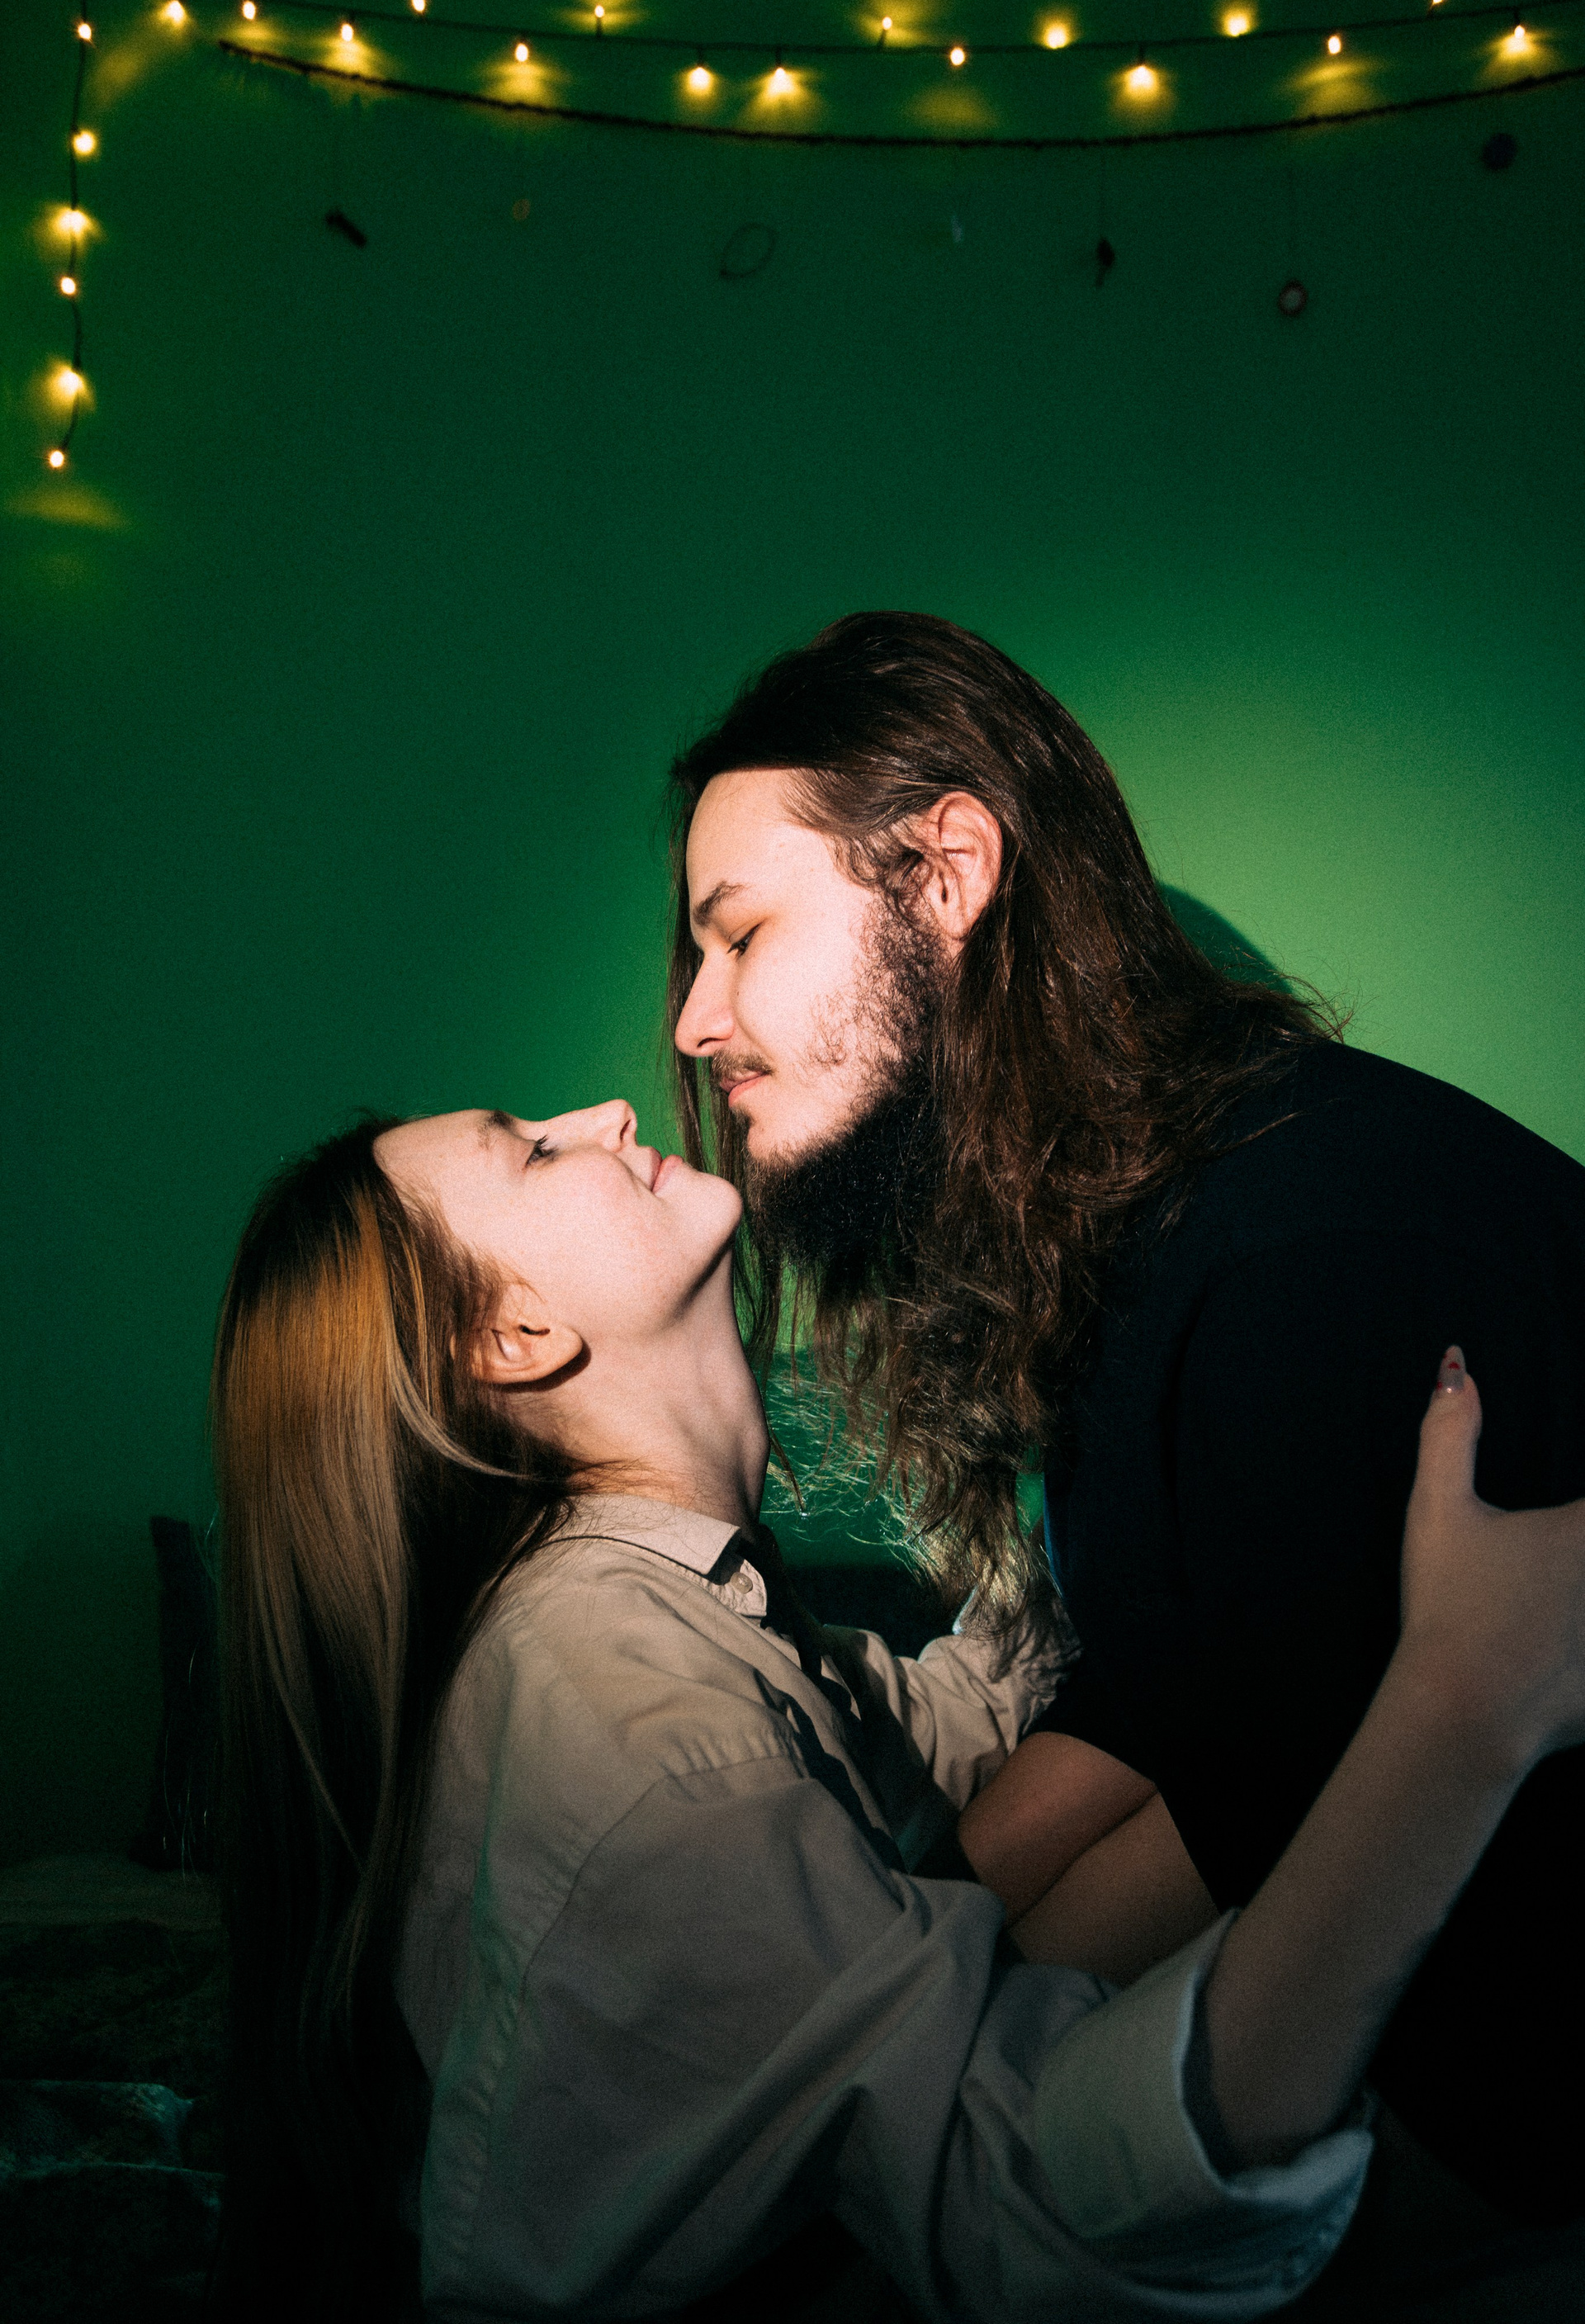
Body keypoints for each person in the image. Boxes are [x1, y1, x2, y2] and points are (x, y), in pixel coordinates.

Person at [208, 1096, 1585, 2322]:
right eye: (531, 1148)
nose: (612, 1111)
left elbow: (953, 1721)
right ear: (516, 1336)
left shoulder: (678, 1611)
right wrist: (1468, 1699)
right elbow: (1046, 2208)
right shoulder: (618, 1719)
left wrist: (1154, 1440)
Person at [667, 609, 1585, 2228]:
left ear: (948, 876)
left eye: (740, 935)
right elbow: (1181, 1704)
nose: (696, 1020)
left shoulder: (1289, 1265)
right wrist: (913, 1982)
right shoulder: (1138, 1223)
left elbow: (1285, 1860)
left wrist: (893, 2114)